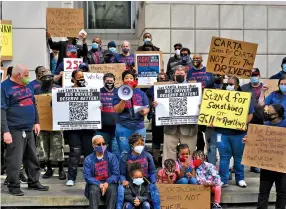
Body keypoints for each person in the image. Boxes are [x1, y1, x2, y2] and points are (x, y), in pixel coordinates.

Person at [1, 64, 49, 196]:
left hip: (29, 128)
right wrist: (5, 131)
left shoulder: (27, 85)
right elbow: (2, 110)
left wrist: (36, 122)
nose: (29, 78)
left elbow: (33, 103)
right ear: (18, 75)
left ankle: (33, 181)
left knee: (32, 157)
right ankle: (14, 185)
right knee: (15, 159)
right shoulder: (4, 88)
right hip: (14, 129)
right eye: (26, 75)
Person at [213, 76, 254, 188]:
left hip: (239, 134)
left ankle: (240, 179)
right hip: (222, 133)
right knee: (224, 157)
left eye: (231, 84)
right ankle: (223, 179)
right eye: (227, 83)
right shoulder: (219, 96)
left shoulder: (244, 98)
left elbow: (250, 114)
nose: (229, 85)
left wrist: (244, 124)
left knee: (238, 157)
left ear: (236, 85)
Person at [243, 104, 286, 209]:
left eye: (269, 111)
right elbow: (257, 141)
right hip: (267, 165)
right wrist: (248, 140)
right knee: (263, 192)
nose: (266, 112)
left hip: (282, 166)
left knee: (282, 193)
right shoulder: (264, 125)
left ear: (276, 114)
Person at [153, 66, 198, 165]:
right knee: (168, 154)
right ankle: (168, 175)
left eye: (181, 74)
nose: (179, 75)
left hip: (189, 128)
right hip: (170, 127)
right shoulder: (165, 87)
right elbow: (160, 106)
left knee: (188, 154)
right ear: (174, 75)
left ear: (186, 75)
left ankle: (188, 175)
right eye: (177, 74)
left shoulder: (195, 87)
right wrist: (157, 105)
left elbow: (200, 104)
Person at [65, 70, 96, 186]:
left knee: (89, 153)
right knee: (75, 152)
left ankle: (90, 176)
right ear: (73, 79)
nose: (81, 78)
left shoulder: (90, 90)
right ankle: (71, 178)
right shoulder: (67, 90)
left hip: (87, 128)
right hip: (73, 128)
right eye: (78, 77)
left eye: (82, 77)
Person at [34, 69, 66, 180]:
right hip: (42, 123)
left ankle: (61, 169)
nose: (47, 79)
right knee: (44, 147)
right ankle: (49, 168)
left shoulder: (57, 88)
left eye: (49, 77)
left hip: (56, 122)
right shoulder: (37, 90)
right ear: (40, 79)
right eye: (44, 78)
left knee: (58, 146)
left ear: (52, 78)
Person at [113, 70, 149, 155]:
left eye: (131, 78)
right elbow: (117, 110)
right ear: (122, 80)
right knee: (124, 152)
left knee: (139, 152)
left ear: (134, 80)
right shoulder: (117, 93)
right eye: (126, 78)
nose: (129, 79)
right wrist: (123, 99)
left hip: (139, 127)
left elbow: (147, 108)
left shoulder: (141, 93)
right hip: (123, 127)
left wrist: (143, 111)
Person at [83, 135, 119, 209]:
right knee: (93, 190)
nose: (102, 146)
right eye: (99, 144)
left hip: (109, 183)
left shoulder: (112, 157)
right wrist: (99, 184)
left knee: (112, 190)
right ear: (93, 146)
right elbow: (87, 176)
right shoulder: (88, 159)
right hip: (95, 183)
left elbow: (116, 174)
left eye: (103, 143)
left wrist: (107, 183)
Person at [241, 68, 265, 173]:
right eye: (252, 75)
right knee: (244, 142)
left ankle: (254, 165)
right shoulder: (244, 87)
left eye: (256, 75)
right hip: (247, 118)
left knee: (257, 143)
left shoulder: (265, 87)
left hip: (260, 119)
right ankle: (240, 163)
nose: (254, 77)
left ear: (259, 76)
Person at [145, 72, 168, 165]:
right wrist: (151, 109)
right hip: (156, 117)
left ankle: (166, 159)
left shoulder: (172, 87)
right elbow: (147, 99)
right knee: (156, 139)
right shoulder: (151, 90)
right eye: (159, 78)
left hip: (169, 118)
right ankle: (155, 160)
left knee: (168, 139)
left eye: (163, 78)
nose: (161, 80)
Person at [97, 73, 119, 157]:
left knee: (116, 154)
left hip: (116, 129)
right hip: (102, 129)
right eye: (107, 81)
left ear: (114, 82)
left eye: (111, 81)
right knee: (101, 153)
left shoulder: (119, 92)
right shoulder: (98, 92)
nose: (109, 82)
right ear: (103, 82)